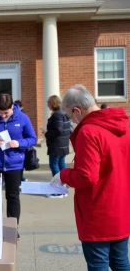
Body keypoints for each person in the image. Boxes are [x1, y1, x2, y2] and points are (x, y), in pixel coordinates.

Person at [50, 84, 130, 270]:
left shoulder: (89, 131)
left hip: (98, 211)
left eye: (71, 116)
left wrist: (64, 175)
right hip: (122, 207)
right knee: (121, 262)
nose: (72, 121)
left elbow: (87, 176)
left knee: (98, 264)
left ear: (77, 111)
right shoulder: (124, 126)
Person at [0, 94, 37, 239]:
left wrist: (19, 143)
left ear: (12, 107)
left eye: (6, 112)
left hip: (15, 163)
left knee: (12, 196)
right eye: (0, 112)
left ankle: (13, 227)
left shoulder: (22, 118)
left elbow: (32, 139)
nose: (3, 115)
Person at [42, 95, 71, 199]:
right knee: (61, 164)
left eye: (48, 103)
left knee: (54, 165)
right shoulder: (64, 114)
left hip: (56, 145)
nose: (47, 105)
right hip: (63, 144)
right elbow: (68, 129)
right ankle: (65, 186)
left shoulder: (57, 115)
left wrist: (46, 133)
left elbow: (58, 130)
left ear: (52, 103)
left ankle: (59, 189)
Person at [14, 100, 28, 182]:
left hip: (20, 142)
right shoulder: (23, 113)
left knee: (20, 161)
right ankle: (21, 177)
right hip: (21, 141)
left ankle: (21, 177)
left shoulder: (22, 115)